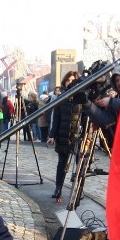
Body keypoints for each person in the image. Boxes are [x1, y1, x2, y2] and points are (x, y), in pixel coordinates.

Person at [47, 71, 82, 202]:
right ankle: (58, 188)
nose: (70, 82)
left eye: (73, 80)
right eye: (68, 80)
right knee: (62, 164)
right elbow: (56, 118)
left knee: (79, 165)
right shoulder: (61, 98)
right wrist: (52, 134)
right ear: (64, 82)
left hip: (78, 136)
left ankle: (78, 189)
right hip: (63, 135)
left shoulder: (82, 98)